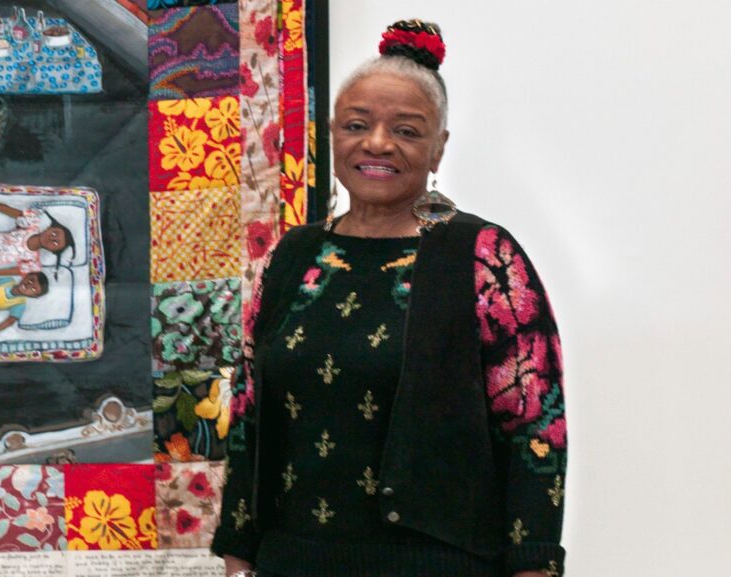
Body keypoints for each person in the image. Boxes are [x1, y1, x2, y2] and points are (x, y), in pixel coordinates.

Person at [211, 20, 567, 577]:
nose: (377, 143)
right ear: (333, 134)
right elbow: (250, 413)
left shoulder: (483, 256)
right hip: (292, 561)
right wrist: (238, 551)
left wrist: (534, 564)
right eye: (357, 125)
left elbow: (535, 428)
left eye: (406, 130)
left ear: (437, 148)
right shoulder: (292, 256)